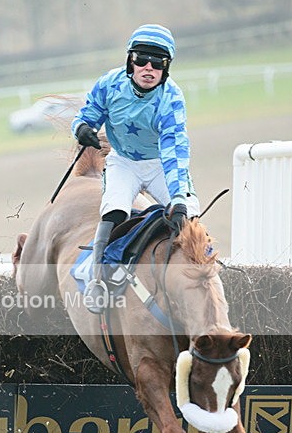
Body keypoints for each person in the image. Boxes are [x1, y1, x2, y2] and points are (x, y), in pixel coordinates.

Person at [71, 23, 200, 311]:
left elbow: (174, 152)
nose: (148, 67)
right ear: (131, 60)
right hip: (124, 161)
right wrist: (80, 128)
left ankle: (205, 274)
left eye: (158, 62)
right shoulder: (109, 83)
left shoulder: (171, 98)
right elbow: (87, 114)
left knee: (189, 216)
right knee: (114, 210)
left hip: (160, 164)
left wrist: (178, 199)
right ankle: (97, 278)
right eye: (141, 59)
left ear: (166, 68)